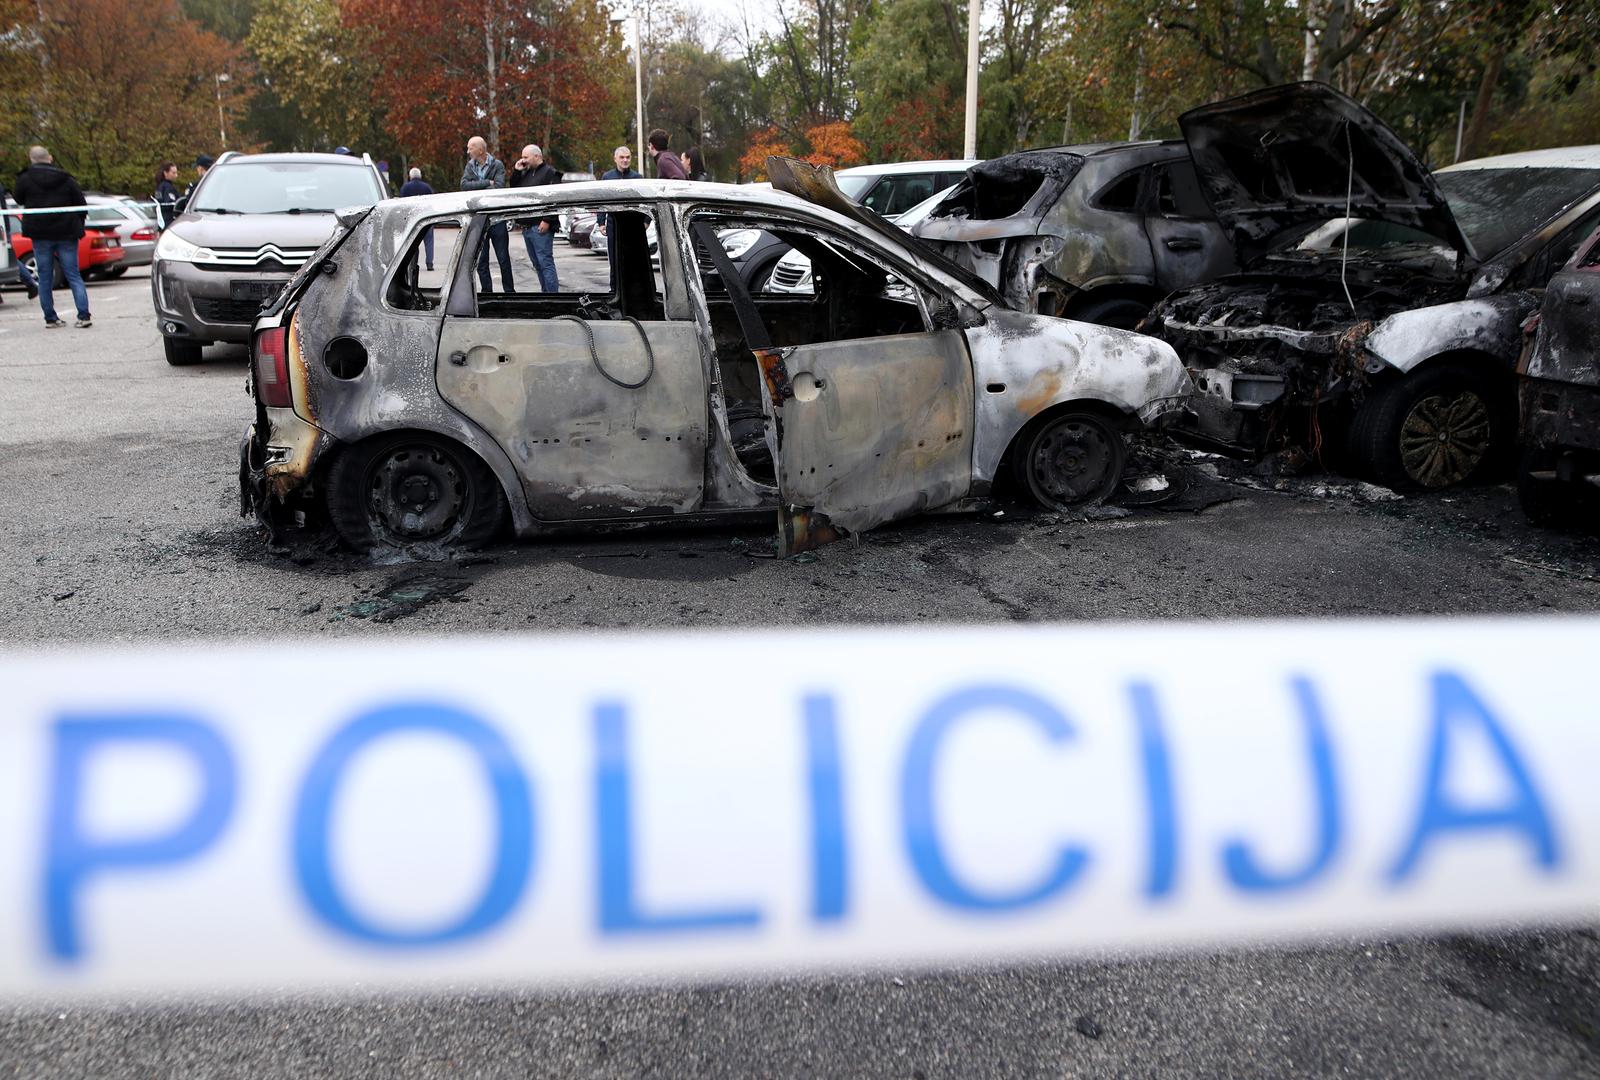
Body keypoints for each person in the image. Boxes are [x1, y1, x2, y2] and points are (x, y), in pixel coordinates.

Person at [14, 145, 91, 328]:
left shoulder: (24, 178)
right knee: (73, 274)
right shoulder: (65, 178)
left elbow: (18, 199)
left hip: (40, 233)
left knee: (45, 276)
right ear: (50, 158)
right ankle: (83, 315)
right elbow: (80, 203)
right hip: (66, 232)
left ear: (31, 159)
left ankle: (50, 318)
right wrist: (78, 224)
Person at [460, 135, 513, 292]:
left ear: (480, 150)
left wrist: (477, 186)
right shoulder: (470, 166)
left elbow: (498, 187)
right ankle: (486, 292)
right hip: (479, 220)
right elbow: (463, 186)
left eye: (471, 148)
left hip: (497, 220)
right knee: (481, 261)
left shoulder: (497, 165)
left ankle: (509, 292)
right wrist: (486, 183)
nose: (468, 151)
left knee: (503, 259)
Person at [510, 144, 561, 292]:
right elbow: (514, 189)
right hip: (527, 226)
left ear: (537, 156)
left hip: (541, 225)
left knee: (545, 262)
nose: (523, 160)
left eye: (526, 157)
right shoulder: (526, 173)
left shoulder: (550, 173)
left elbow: (555, 199)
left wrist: (547, 219)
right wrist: (516, 171)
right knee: (537, 264)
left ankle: (553, 296)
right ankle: (545, 293)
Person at [1, 178, 37, 301]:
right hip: (4, 225)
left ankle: (30, 282)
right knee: (8, 257)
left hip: (3, 226)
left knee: (9, 258)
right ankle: (30, 282)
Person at [398, 166, 435, 270]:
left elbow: (402, 204)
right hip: (427, 217)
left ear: (410, 176)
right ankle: (429, 263)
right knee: (429, 241)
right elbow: (433, 202)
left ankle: (414, 263)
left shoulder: (405, 188)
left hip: (412, 219)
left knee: (413, 242)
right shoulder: (427, 187)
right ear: (420, 176)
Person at [154, 161, 181, 229]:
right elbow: (171, 204)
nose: (176, 175)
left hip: (161, 221)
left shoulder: (159, 186)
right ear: (165, 173)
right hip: (169, 221)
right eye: (173, 173)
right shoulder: (168, 187)